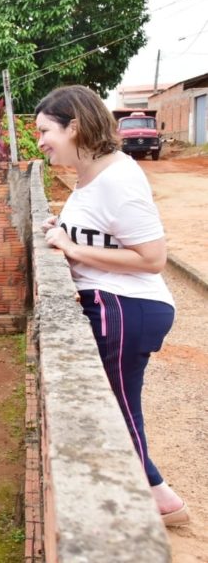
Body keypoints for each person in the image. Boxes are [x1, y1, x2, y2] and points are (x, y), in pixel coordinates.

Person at [35, 85, 189, 526]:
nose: (41, 140)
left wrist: (72, 247)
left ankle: (160, 501)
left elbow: (152, 258)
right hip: (116, 304)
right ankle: (154, 494)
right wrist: (62, 227)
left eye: (46, 131)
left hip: (124, 307)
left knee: (118, 409)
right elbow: (100, 230)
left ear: (75, 126)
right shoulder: (94, 176)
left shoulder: (117, 180)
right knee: (116, 406)